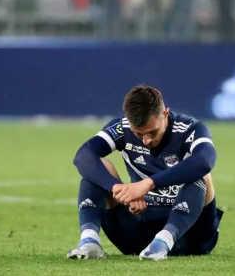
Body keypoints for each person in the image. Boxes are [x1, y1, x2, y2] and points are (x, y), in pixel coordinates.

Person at [67, 85, 222, 261]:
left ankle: (163, 241)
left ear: (165, 113)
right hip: (137, 234)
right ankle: (89, 242)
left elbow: (205, 161)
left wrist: (148, 184)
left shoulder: (189, 128)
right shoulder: (122, 128)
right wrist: (119, 189)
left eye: (152, 132)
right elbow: (83, 156)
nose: (146, 140)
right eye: (139, 134)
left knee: (202, 175)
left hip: (191, 237)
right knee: (97, 170)